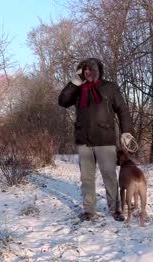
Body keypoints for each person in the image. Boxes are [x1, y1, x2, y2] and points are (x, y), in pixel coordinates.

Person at [58, 58, 135, 221]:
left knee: (109, 176)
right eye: (84, 70)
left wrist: (126, 133)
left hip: (105, 140)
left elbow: (123, 110)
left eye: (90, 69)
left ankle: (115, 209)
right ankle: (89, 210)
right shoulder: (77, 89)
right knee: (86, 178)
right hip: (84, 141)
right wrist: (74, 82)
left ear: (97, 70)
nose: (87, 72)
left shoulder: (110, 87)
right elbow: (63, 101)